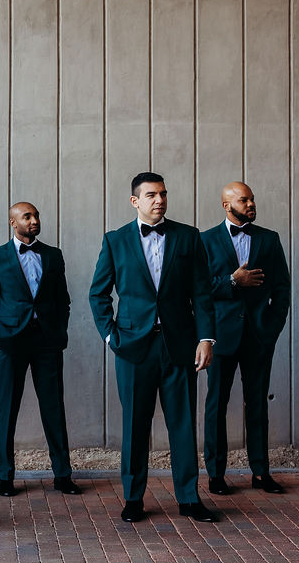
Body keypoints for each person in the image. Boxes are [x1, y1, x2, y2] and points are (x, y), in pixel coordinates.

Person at [89, 172, 219, 523]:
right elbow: (98, 293)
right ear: (135, 201)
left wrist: (206, 339)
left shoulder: (188, 237)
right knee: (135, 425)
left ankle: (189, 498)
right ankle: (133, 498)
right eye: (150, 195)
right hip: (133, 348)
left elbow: (202, 294)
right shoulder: (115, 241)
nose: (159, 200)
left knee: (182, 424)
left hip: (179, 345)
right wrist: (110, 336)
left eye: (162, 194)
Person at [0, 202, 81, 498]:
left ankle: (62, 475)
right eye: (27, 216)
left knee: (53, 408)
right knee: (7, 409)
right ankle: (5, 476)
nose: (34, 220)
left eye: (36, 215)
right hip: (11, 341)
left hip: (47, 342)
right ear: (13, 222)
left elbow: (63, 299)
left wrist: (60, 330)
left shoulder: (52, 255)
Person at [201, 182, 291, 496]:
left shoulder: (269, 239)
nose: (251, 203)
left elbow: (282, 288)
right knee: (216, 405)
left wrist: (272, 327)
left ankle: (261, 473)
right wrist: (232, 281)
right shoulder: (206, 241)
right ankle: (215, 474)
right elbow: (199, 291)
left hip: (258, 336)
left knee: (257, 405)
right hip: (221, 336)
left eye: (252, 197)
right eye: (244, 199)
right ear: (227, 205)